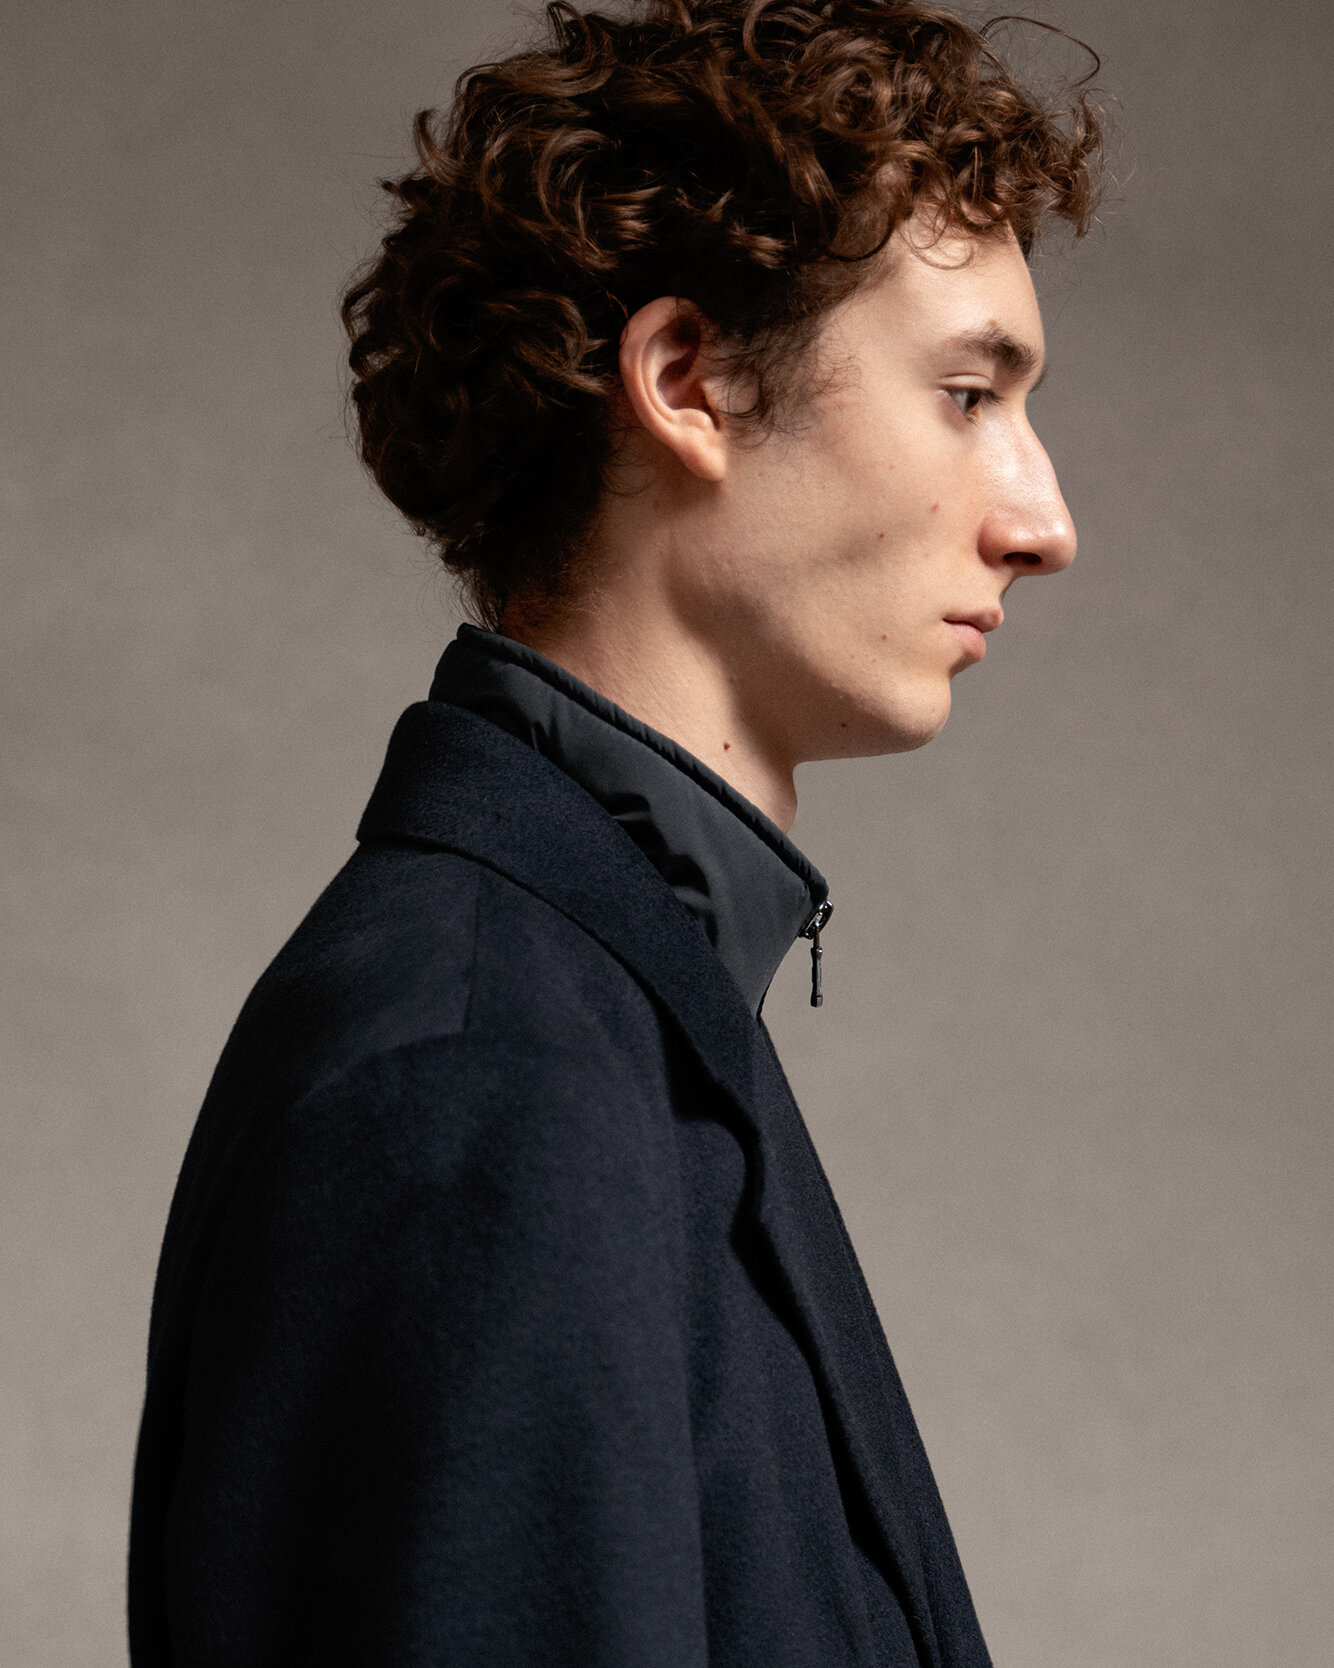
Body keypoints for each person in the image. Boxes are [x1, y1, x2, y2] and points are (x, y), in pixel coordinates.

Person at [128, 1, 1102, 1662]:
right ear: (686, 381)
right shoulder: (484, 1078)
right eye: (963, 394)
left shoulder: (597, 1015)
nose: (1042, 522)